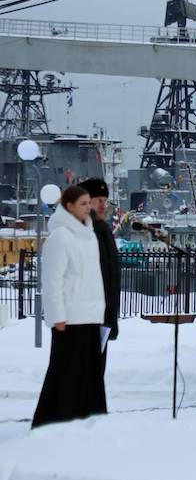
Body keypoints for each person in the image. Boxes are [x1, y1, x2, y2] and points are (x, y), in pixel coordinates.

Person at [31, 186, 106, 428]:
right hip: (70, 318)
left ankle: (87, 420)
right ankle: (50, 421)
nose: (88, 207)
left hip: (90, 315)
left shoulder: (89, 236)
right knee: (64, 372)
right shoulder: (60, 237)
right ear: (69, 206)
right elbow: (52, 280)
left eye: (88, 203)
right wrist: (57, 316)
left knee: (90, 374)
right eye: (83, 203)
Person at [78, 179, 120, 352]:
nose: (104, 206)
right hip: (83, 321)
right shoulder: (80, 232)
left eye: (105, 201)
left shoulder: (104, 231)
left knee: (96, 365)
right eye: (99, 201)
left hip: (102, 317)